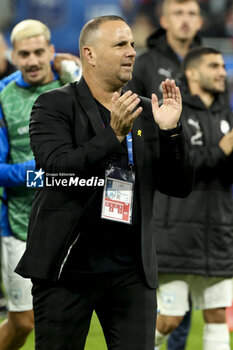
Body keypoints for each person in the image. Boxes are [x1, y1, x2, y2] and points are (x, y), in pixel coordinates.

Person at [15, 15, 194, 350]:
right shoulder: (54, 105)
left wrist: (171, 132)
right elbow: (56, 170)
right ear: (90, 55)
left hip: (131, 271)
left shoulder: (145, 110)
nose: (131, 52)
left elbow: (179, 186)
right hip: (67, 269)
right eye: (120, 44)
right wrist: (112, 136)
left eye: (132, 44)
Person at [0, 19, 81, 350]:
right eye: (23, 54)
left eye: (38, 52)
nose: (32, 60)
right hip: (19, 222)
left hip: (71, 218)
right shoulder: (4, 97)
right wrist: (45, 170)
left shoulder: (74, 87)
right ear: (14, 56)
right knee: (23, 321)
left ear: (52, 51)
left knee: (67, 314)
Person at [153, 46, 233, 350]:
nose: (222, 72)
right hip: (178, 233)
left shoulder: (227, 114)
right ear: (192, 72)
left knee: (215, 316)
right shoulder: (176, 110)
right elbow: (176, 164)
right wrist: (222, 150)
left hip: (218, 235)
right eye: (214, 66)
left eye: (223, 66)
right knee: (169, 320)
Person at [126, 0, 203, 101]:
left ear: (199, 22)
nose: (185, 20)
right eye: (178, 13)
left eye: (191, 14)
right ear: (164, 21)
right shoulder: (143, 64)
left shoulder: (211, 64)